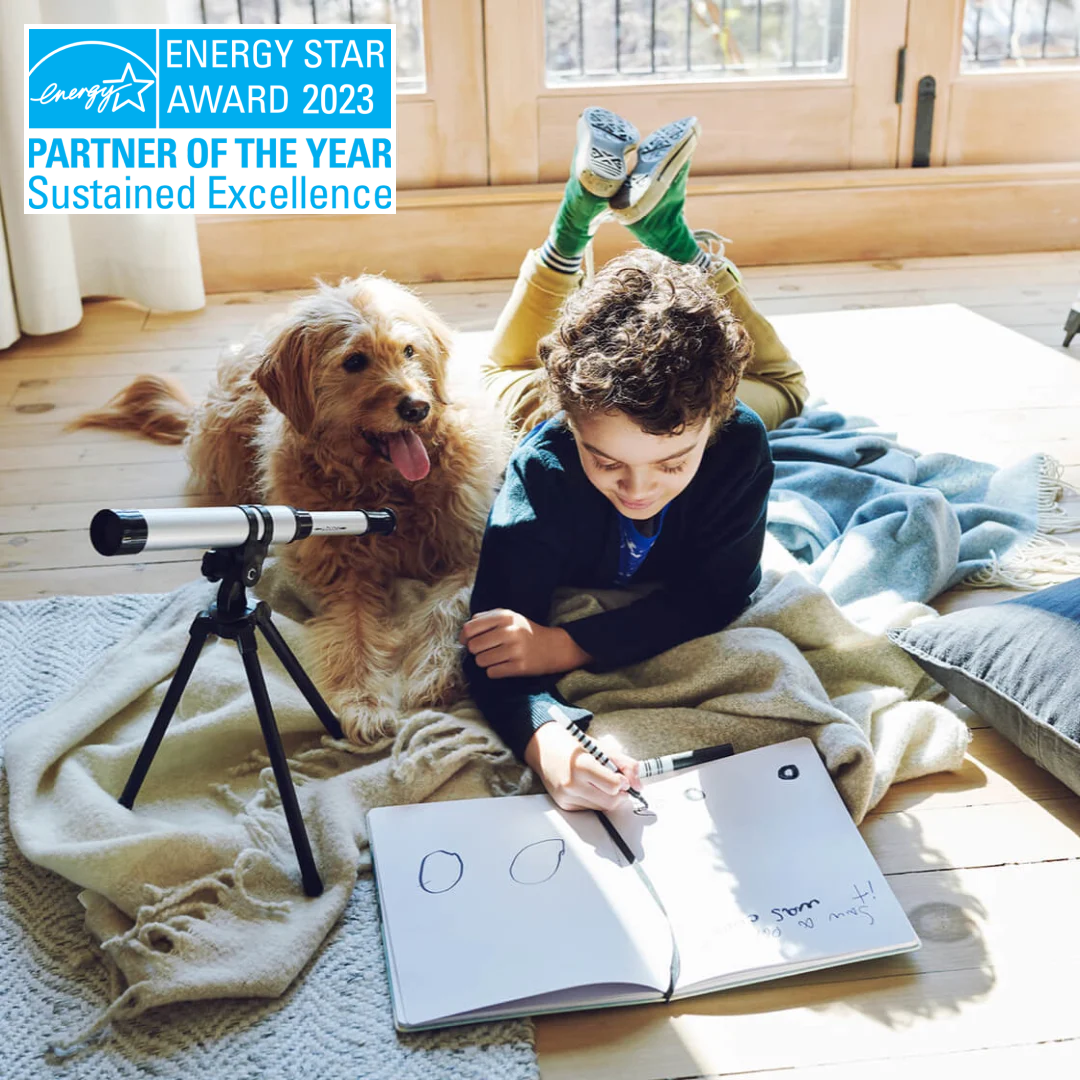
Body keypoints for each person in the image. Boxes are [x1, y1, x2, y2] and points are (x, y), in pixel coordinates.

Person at [459, 108, 808, 813]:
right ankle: (575, 224)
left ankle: (643, 232)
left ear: (713, 420)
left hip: (696, 405)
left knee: (786, 392)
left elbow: (721, 592)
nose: (638, 488)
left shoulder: (737, 440)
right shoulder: (547, 464)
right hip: (540, 397)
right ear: (574, 429)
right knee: (498, 377)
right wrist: (546, 744)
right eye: (606, 461)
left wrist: (566, 646)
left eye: (672, 462)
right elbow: (491, 644)